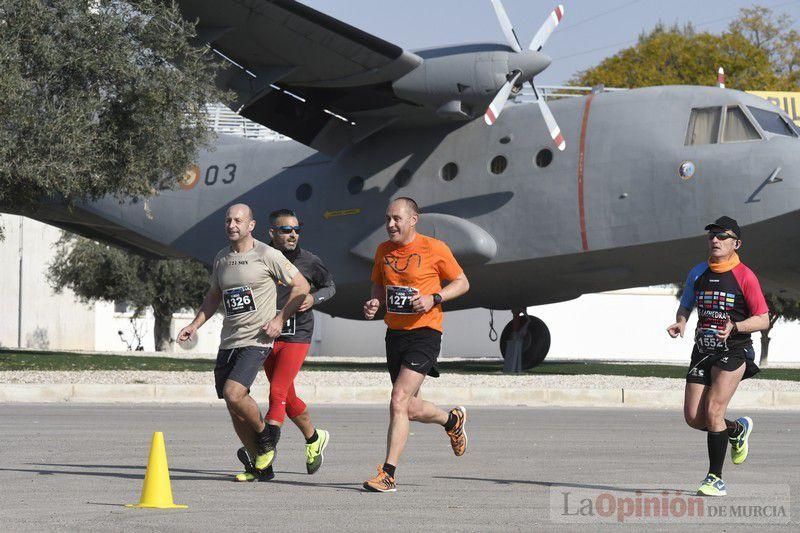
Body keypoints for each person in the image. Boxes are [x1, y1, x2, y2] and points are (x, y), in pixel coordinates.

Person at [177, 203, 310, 482]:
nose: (232, 225)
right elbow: (214, 296)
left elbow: (301, 286)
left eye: (238, 220)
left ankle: (265, 439)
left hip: (257, 338)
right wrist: (194, 324)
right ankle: (260, 466)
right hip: (229, 340)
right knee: (233, 407)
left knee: (234, 393)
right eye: (228, 220)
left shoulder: (267, 254)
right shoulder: (222, 258)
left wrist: (280, 319)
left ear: (251, 225)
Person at [362, 197, 470, 492]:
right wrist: (375, 301)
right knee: (408, 407)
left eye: (397, 218)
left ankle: (388, 474)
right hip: (395, 334)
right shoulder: (383, 251)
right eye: (387, 219)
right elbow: (378, 285)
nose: (390, 224)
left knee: (398, 399)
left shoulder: (434, 248)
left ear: (413, 220)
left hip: (425, 332)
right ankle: (451, 421)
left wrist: (433, 298)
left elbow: (462, 282)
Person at [667, 216, 769, 497]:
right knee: (693, 417)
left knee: (713, 411)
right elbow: (686, 305)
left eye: (722, 236)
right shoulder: (698, 272)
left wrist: (736, 326)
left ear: (736, 243)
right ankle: (736, 429)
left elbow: (762, 319)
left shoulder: (745, 276)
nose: (715, 240)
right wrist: (681, 322)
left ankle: (715, 478)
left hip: (734, 351)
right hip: (702, 351)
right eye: (711, 235)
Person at [238, 209, 336, 479]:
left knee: (278, 391)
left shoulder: (309, 261)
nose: (293, 234)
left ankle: (265, 454)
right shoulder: (259, 257)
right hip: (268, 335)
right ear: (272, 233)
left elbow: (330, 287)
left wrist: (314, 299)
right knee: (287, 397)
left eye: (296, 229)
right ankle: (314, 438)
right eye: (286, 230)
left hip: (297, 334)